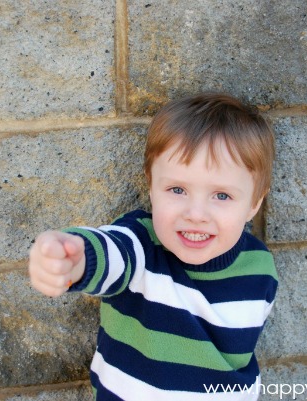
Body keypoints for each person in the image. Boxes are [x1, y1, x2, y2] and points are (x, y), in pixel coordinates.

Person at [29, 93, 279, 400]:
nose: (196, 214)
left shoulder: (260, 266)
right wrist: (74, 256)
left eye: (222, 196)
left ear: (255, 202)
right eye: (177, 189)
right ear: (151, 185)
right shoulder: (142, 246)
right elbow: (111, 253)